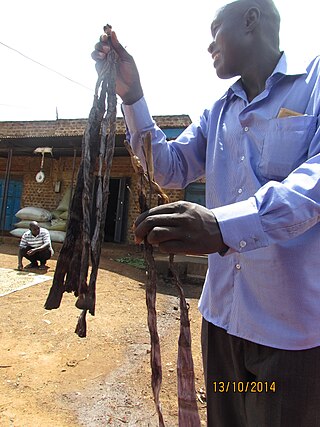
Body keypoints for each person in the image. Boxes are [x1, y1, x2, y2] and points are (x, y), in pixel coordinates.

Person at [93, 0, 320, 425]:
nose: (208, 44)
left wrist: (220, 226)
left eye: (216, 29)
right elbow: (168, 167)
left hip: (290, 336)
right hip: (221, 322)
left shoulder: (314, 83)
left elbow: (313, 186)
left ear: (251, 19)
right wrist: (133, 95)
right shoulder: (218, 111)